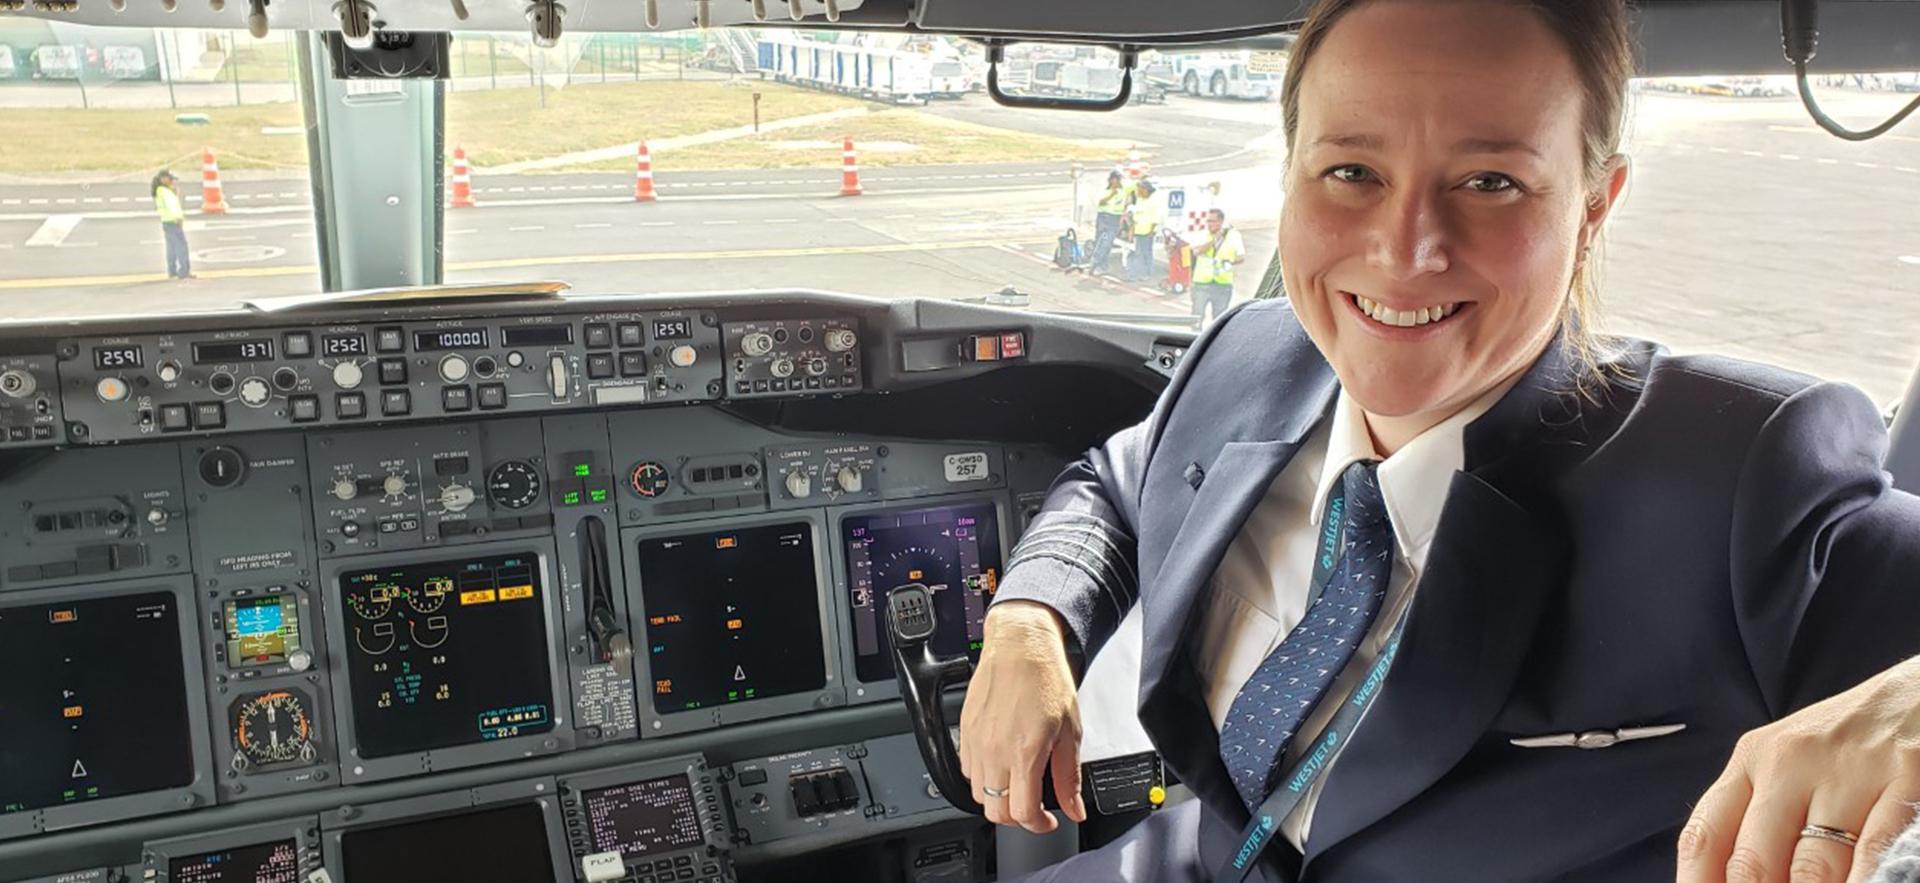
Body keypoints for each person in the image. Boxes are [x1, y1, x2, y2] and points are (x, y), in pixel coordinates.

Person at [958, 1, 1920, 881]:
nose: (1405, 249)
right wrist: (1032, 619)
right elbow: (1117, 485)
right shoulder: (1246, 356)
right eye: (1352, 172)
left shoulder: (1745, 473)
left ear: (1592, 209)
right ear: (1290, 173)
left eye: (1492, 181)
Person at [1190, 208, 1245, 326]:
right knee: (1196, 317)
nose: (1209, 224)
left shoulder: (1234, 235)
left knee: (1219, 320)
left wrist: (1230, 261)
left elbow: (1241, 257)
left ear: (1220, 221)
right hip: (1202, 283)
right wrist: (1214, 240)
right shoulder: (1202, 234)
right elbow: (1196, 251)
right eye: (1208, 221)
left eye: (1212, 221)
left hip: (1223, 284)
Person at [1084, 171, 1133, 276]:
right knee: (1099, 241)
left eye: (1118, 180)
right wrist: (1111, 195)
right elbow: (1100, 202)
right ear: (1110, 180)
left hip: (1114, 219)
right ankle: (1103, 265)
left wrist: (1123, 213)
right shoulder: (1105, 190)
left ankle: (1095, 262)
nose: (1117, 182)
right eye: (1115, 180)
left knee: (1107, 242)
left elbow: (1132, 188)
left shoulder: (1123, 191)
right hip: (1102, 217)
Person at [153, 169, 193, 280]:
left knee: (171, 248)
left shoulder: (163, 190)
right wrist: (178, 219)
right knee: (181, 247)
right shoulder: (163, 191)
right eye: (170, 179)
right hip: (173, 221)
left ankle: (172, 271)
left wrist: (175, 190)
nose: (172, 181)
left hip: (168, 222)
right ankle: (184, 271)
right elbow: (171, 206)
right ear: (163, 179)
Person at [1123, 180, 1163, 283]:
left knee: (1145, 253)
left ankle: (1145, 273)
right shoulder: (1140, 199)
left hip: (1147, 232)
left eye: (1140, 188)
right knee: (1139, 253)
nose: (1138, 190)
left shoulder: (1153, 202)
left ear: (1146, 190)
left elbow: (1156, 219)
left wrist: (1151, 232)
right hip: (1139, 230)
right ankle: (1137, 273)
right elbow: (1128, 188)